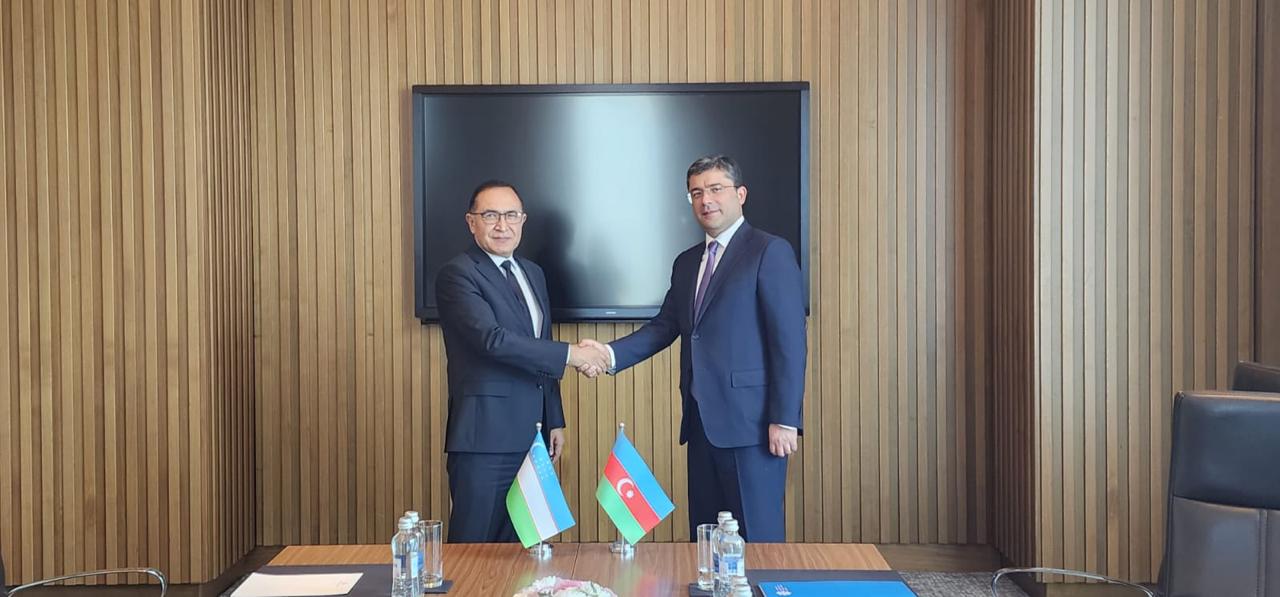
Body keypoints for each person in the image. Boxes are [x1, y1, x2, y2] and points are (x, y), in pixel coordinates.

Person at [580, 155, 807, 542]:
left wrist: (785, 418)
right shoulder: (687, 262)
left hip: (753, 426)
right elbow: (664, 327)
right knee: (705, 536)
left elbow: (789, 342)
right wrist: (608, 354)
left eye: (716, 189)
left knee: (758, 538)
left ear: (740, 194)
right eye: (696, 192)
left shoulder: (769, 251)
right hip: (701, 424)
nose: (706, 200)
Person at [436, 180, 608, 542]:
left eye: (511, 215)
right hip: (485, 437)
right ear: (471, 221)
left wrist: (554, 418)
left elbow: (538, 345)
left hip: (534, 434)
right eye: (491, 215)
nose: (503, 225)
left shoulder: (532, 273)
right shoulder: (458, 274)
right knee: (473, 549)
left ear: (522, 220)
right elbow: (492, 340)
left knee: (523, 546)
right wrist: (574, 354)